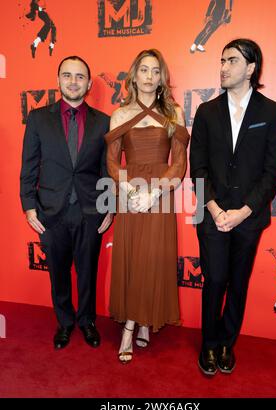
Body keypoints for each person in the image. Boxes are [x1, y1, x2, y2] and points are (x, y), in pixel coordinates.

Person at [190, 39, 276, 375]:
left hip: (249, 217)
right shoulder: (205, 111)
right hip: (212, 214)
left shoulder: (271, 112)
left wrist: (244, 211)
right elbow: (197, 167)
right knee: (215, 280)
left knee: (238, 282)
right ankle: (209, 344)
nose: (223, 67)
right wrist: (215, 209)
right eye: (221, 60)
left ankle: (227, 343)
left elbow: (274, 172)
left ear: (251, 68)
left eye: (231, 61)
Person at [20, 56, 112, 349]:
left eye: (80, 76)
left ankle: (87, 321)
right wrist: (28, 205)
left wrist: (109, 207)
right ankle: (65, 322)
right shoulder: (37, 118)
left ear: (88, 83)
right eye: (67, 75)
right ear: (58, 80)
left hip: (90, 210)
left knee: (88, 272)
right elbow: (29, 165)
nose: (73, 81)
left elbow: (106, 169)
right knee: (58, 274)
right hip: (50, 211)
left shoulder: (104, 122)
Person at [105, 49, 189, 364]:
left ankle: (139, 322)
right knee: (132, 256)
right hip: (129, 192)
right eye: (144, 70)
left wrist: (153, 194)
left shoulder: (174, 113)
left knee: (152, 258)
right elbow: (112, 161)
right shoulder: (120, 114)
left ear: (162, 77)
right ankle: (133, 324)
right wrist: (128, 188)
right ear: (134, 75)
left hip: (161, 193)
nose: (150, 76)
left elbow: (179, 162)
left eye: (156, 71)